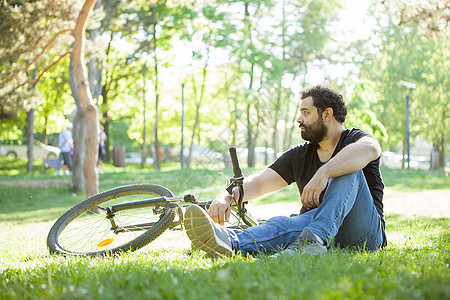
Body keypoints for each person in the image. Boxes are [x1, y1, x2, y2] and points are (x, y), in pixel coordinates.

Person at [184, 85, 386, 258]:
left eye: (306, 113)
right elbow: (258, 183)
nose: (299, 119)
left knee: (347, 170)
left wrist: (324, 173)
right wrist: (225, 196)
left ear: (327, 114)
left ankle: (314, 239)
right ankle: (228, 240)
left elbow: (370, 149)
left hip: (364, 234)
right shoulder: (298, 156)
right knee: (282, 223)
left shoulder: (356, 139)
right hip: (320, 231)